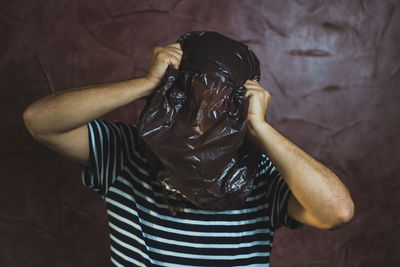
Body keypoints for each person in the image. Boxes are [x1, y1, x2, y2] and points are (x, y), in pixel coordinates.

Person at [23, 42, 354, 266]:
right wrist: (146, 83)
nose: (200, 122)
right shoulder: (125, 153)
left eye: (220, 109)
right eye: (188, 100)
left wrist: (261, 129)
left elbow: (336, 211)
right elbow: (41, 121)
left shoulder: (263, 174)